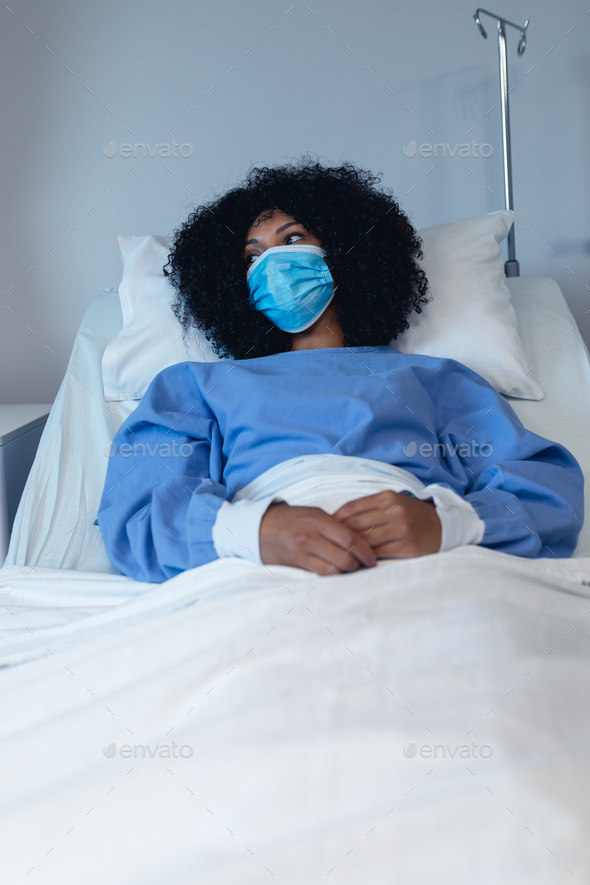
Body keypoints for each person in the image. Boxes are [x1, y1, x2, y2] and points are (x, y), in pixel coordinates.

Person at [97, 158, 584, 583]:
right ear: (234, 285)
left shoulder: (437, 379)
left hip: (429, 563)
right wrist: (255, 531)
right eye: (253, 255)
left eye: (292, 239)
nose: (274, 264)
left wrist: (446, 524)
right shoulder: (195, 387)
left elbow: (547, 492)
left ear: (347, 252)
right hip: (258, 568)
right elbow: (137, 512)